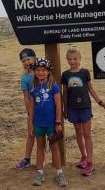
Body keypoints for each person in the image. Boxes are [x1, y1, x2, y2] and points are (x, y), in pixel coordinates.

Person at [61, 46, 105, 176]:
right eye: (70, 59)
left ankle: (90, 163)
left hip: (85, 107)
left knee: (87, 134)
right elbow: (65, 93)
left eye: (75, 58)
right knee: (78, 134)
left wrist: (100, 101)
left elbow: (90, 89)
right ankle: (84, 156)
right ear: (67, 59)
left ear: (80, 58)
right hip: (72, 108)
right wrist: (65, 109)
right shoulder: (65, 75)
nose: (72, 61)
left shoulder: (85, 72)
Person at [28, 58, 69, 187]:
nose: (40, 72)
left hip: (51, 124)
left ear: (48, 72)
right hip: (38, 124)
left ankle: (59, 173)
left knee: (54, 148)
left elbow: (58, 105)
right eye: (38, 70)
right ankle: (40, 172)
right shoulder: (33, 87)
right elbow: (31, 107)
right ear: (34, 72)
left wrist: (58, 122)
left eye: (43, 70)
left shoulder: (54, 86)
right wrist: (30, 123)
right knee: (40, 148)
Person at [15, 48, 36, 169]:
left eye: (28, 59)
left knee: (42, 136)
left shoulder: (42, 72)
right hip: (32, 112)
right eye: (23, 61)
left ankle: (41, 160)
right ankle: (27, 159)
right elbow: (26, 97)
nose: (26, 62)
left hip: (45, 110)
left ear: (34, 58)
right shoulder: (25, 78)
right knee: (31, 135)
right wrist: (30, 113)